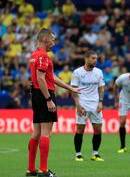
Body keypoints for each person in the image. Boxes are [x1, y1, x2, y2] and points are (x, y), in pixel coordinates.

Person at [27, 28, 81, 177]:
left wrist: (70, 88)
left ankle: (31, 169)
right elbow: (41, 78)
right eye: (52, 40)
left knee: (36, 133)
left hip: (36, 94)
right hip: (45, 94)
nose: (54, 43)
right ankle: (43, 170)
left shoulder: (34, 55)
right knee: (46, 133)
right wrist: (49, 99)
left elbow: (51, 77)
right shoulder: (43, 56)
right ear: (45, 40)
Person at [70, 51, 105, 162]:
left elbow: (101, 88)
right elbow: (74, 90)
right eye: (93, 58)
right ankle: (78, 154)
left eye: (96, 58)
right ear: (86, 59)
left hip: (95, 104)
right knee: (80, 129)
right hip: (83, 104)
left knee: (98, 130)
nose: (95, 60)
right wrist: (77, 104)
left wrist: (100, 102)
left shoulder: (99, 72)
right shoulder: (77, 72)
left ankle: (95, 154)